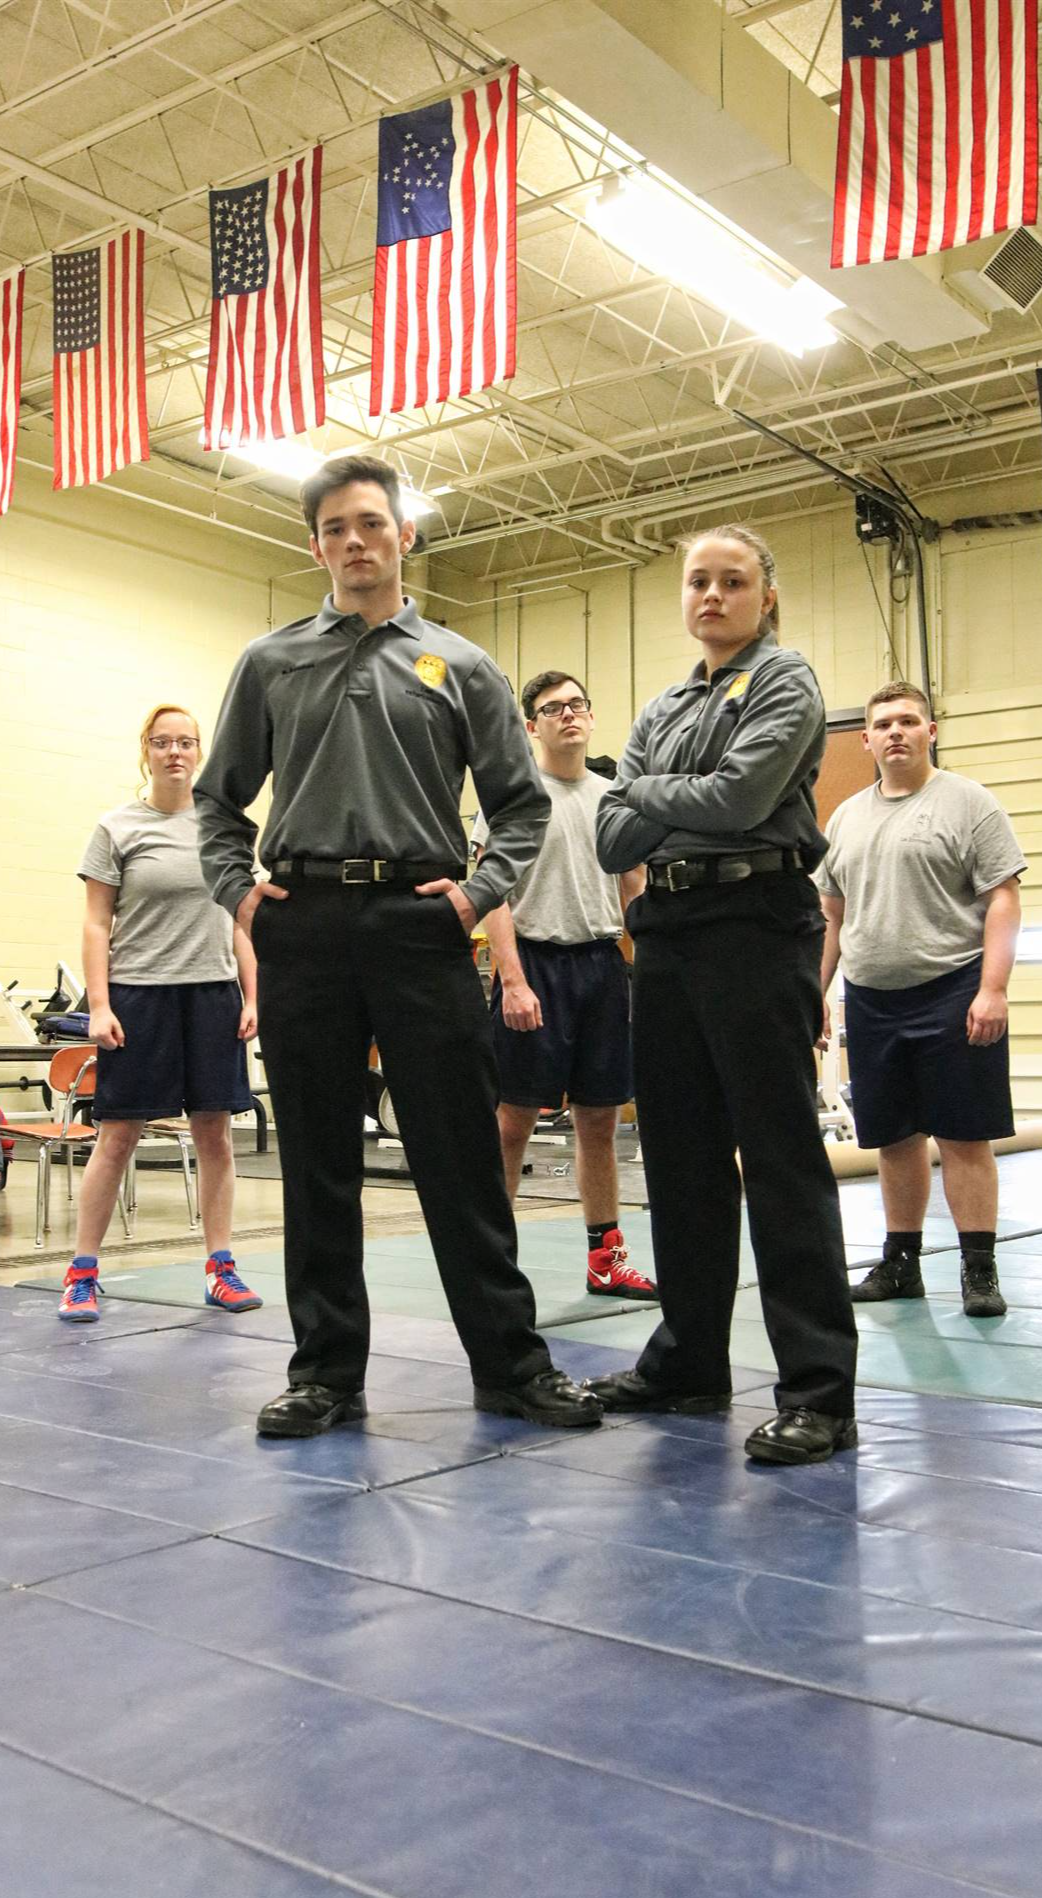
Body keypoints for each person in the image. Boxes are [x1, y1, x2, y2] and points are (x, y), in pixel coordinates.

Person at [193, 454, 601, 1439]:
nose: (355, 541)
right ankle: (326, 1376)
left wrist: (472, 899)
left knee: (460, 1159)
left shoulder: (461, 666)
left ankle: (510, 1366)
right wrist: (244, 898)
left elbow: (516, 810)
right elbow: (217, 803)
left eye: (371, 523)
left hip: (422, 928)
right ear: (315, 545)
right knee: (319, 1162)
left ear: (404, 535)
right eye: (335, 527)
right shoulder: (270, 661)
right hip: (307, 926)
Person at [587, 524, 858, 1466]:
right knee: (680, 1159)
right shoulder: (664, 705)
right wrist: (677, 792)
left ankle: (819, 1392)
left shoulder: (786, 682)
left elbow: (741, 802)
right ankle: (689, 1362)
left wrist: (645, 792)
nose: (711, 595)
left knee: (780, 1160)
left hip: (756, 923)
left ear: (764, 596)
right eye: (697, 581)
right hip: (666, 933)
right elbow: (608, 842)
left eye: (731, 581)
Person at [818, 681, 1024, 1317]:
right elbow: (831, 913)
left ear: (930, 731)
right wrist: (814, 991)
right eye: (883, 724)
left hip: (954, 992)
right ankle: (901, 1263)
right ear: (866, 739)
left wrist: (992, 989)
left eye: (909, 721)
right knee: (896, 1138)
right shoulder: (846, 817)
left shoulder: (970, 804)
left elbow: (1004, 899)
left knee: (965, 1138)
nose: (896, 732)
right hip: (873, 1000)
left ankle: (979, 1270)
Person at [58, 703, 261, 1323]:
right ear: (144, 749)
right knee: (117, 1136)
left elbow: (242, 920)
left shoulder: (224, 830)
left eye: (187, 743)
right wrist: (99, 1004)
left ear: (200, 752)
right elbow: (97, 923)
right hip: (139, 995)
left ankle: (220, 1268)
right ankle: (83, 1272)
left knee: (216, 1137)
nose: (176, 752)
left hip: (212, 996)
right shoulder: (118, 827)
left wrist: (254, 996)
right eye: (163, 742)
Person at [471, 670, 655, 1301]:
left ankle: (606, 1259)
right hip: (534, 966)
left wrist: (655, 961)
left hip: (602, 967)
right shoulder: (513, 797)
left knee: (600, 1121)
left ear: (591, 716)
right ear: (531, 726)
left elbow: (633, 887)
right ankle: (491, 1265)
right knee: (512, 1120)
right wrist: (514, 980)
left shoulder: (614, 798)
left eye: (578, 704)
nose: (568, 715)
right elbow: (492, 892)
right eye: (554, 709)